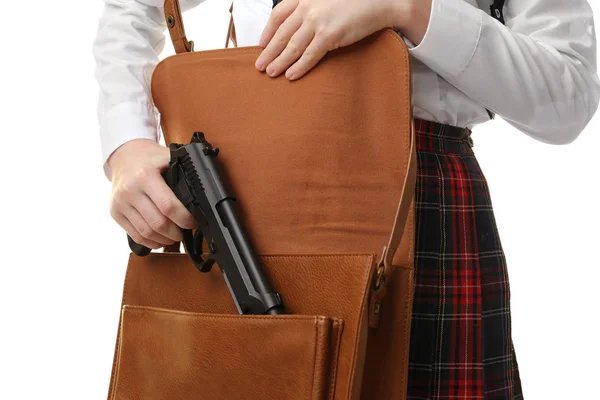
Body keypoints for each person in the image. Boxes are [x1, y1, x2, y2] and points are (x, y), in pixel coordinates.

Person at [92, 0, 600, 398]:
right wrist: (125, 142)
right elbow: (132, 6)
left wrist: (408, 8)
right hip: (233, 195)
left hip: (418, 205)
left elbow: (570, 89)